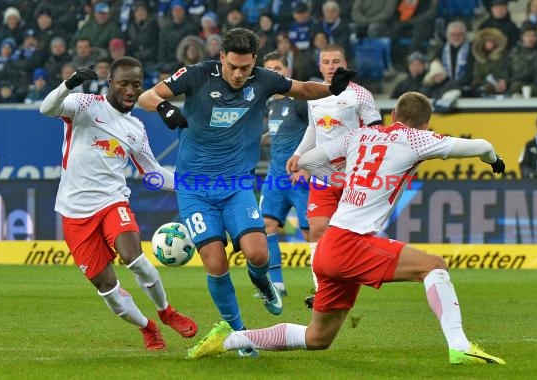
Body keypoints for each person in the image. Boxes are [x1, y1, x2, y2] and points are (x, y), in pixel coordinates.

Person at [185, 91, 507, 366]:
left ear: (392, 114)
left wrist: (339, 174)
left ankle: (230, 338)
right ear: (425, 124)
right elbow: (480, 145)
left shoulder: (360, 135)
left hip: (328, 246)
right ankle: (461, 347)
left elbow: (311, 159)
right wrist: (494, 160)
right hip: (352, 243)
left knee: (317, 337)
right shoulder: (417, 138)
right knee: (434, 266)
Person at [137, 27, 356, 357]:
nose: (239, 75)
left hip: (236, 184)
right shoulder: (197, 75)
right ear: (222, 57)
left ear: (254, 61)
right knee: (215, 262)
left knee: (257, 254)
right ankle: (240, 335)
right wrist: (165, 108)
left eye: (246, 68)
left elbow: (302, 89)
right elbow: (147, 96)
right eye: (233, 67)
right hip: (194, 188)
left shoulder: (264, 80)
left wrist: (332, 89)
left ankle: (263, 282)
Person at [39, 57, 198, 351]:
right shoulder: (84, 104)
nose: (130, 90)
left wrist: (192, 183)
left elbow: (152, 173)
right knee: (108, 290)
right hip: (74, 212)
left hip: (113, 202)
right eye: (124, 83)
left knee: (133, 256)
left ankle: (166, 312)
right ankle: (147, 327)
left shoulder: (135, 128)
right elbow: (46, 108)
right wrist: (69, 83)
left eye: (136, 85)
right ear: (111, 82)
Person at [285, 43, 382, 309]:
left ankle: (353, 283)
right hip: (323, 175)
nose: (331, 66)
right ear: (319, 66)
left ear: (345, 64)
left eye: (335, 61)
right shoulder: (314, 94)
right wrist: (299, 154)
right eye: (326, 62)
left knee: (350, 235)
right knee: (317, 229)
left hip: (353, 176)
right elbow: (314, 130)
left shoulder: (360, 95)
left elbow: (375, 130)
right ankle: (321, 292)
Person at [260, 51, 311, 296]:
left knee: (310, 231)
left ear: (287, 71)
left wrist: (307, 166)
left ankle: (321, 286)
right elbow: (281, 132)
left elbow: (316, 133)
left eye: (278, 68)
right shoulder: (271, 102)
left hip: (299, 176)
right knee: (267, 225)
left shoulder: (300, 100)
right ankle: (277, 285)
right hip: (275, 176)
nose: (274, 73)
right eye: (268, 69)